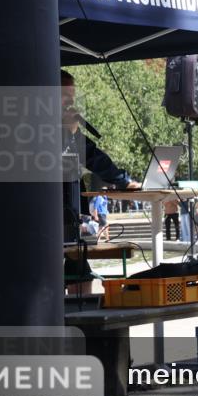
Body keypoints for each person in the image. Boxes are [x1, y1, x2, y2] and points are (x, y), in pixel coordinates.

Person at [60, 70, 141, 281]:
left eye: (72, 97)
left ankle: (79, 306)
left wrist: (123, 181)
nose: (71, 103)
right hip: (47, 208)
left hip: (69, 206)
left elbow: (92, 155)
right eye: (65, 96)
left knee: (78, 266)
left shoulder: (67, 128)